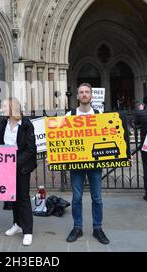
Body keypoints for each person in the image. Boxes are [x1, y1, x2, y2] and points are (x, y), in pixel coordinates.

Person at [65, 83, 109, 244]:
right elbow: (61, 139)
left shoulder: (99, 115)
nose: (84, 94)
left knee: (97, 198)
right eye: (81, 92)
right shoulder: (70, 115)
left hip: (95, 164)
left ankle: (98, 228)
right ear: (77, 96)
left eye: (87, 92)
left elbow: (108, 138)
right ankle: (77, 227)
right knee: (76, 197)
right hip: (76, 164)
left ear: (91, 95)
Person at [0, 97, 37, 246]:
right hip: (6, 167)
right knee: (12, 196)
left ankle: (28, 231)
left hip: (22, 167)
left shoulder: (26, 125)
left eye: (5, 106)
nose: (2, 109)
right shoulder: (3, 123)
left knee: (23, 197)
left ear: (13, 108)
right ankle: (17, 224)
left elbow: (31, 149)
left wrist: (15, 161)